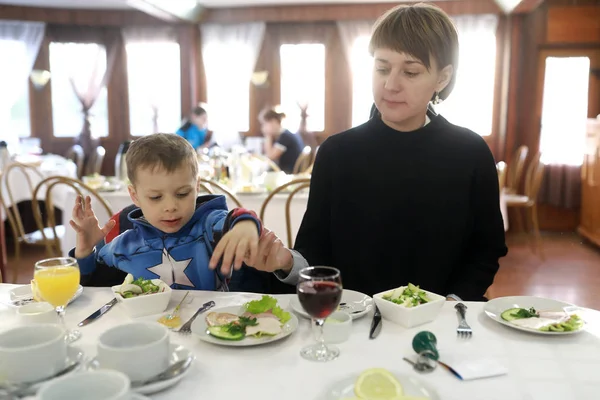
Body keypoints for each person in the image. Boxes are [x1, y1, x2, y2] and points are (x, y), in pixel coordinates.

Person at [240, 3, 508, 302]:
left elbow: (486, 250)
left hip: (440, 323)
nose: (390, 84)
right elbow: (315, 252)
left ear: (442, 78)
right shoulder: (337, 153)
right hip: (355, 321)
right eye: (382, 68)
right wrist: (286, 263)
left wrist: (453, 302)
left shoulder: (470, 154)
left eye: (411, 71)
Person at [69, 133, 263, 291]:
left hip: (206, 326)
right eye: (155, 197)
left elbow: (231, 219)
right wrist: (86, 253)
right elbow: (92, 286)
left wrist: (245, 224)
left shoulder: (208, 225)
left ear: (196, 187)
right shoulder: (123, 245)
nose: (170, 206)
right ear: (135, 196)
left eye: (182, 193)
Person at [259, 107, 304, 174]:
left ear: (273, 121)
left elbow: (270, 156)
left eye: (265, 124)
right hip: (288, 171)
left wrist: (267, 135)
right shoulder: (284, 134)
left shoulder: (285, 137)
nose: (263, 128)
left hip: (289, 173)